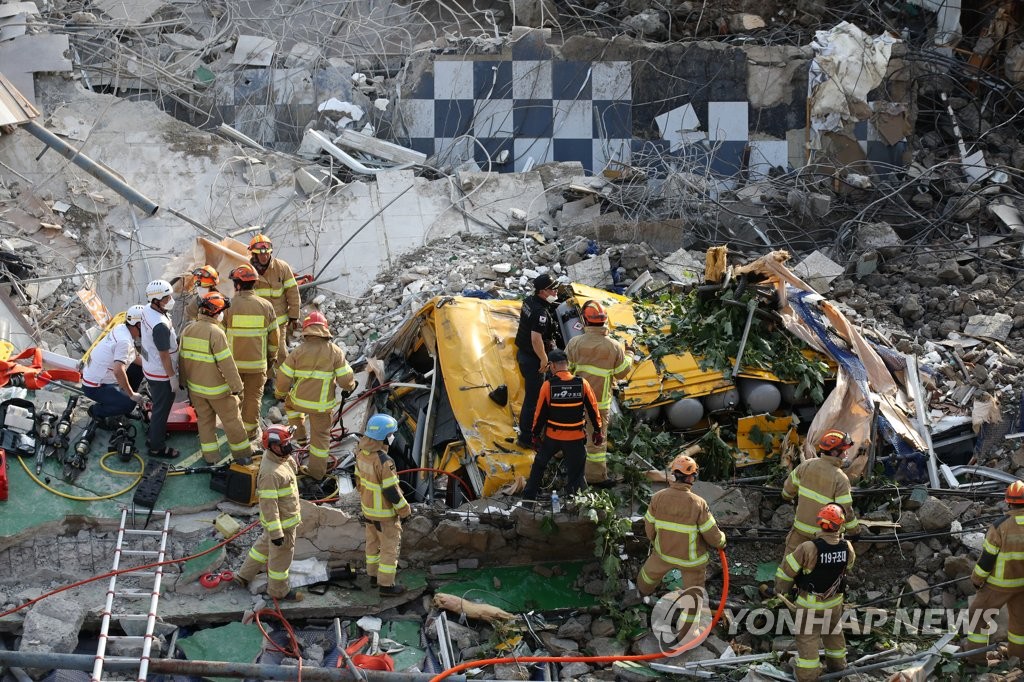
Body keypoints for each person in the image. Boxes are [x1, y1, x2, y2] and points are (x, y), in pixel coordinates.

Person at [774, 503, 855, 682]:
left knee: (808, 639)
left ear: (820, 523)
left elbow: (788, 572)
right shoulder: (846, 546)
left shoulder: (808, 548)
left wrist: (781, 590)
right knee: (834, 634)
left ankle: (808, 676)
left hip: (809, 605)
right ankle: (838, 668)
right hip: (834, 604)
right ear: (840, 524)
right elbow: (847, 567)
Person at [274, 312, 356, 480]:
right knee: (321, 439)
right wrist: (351, 386)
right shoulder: (335, 352)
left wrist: (280, 394)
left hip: (299, 402)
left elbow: (283, 376)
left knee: (289, 405)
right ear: (325, 329)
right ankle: (316, 474)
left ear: (306, 330)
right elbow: (346, 380)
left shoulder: (298, 351)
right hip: (321, 406)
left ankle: (301, 438)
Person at [179, 292, 253, 464]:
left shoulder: (188, 330)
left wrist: (183, 382)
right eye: (221, 311)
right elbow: (227, 364)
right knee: (232, 422)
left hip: (196, 390)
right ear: (215, 312)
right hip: (218, 391)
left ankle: (211, 457)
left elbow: (182, 359)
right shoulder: (216, 333)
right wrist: (237, 387)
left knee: (205, 422)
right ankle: (243, 456)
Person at [638, 453, 725, 597]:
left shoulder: (657, 497)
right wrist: (721, 541)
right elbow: (712, 535)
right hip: (691, 561)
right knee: (694, 595)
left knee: (647, 577)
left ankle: (639, 594)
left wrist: (656, 542)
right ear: (691, 477)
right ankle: (689, 618)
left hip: (663, 554)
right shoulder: (698, 503)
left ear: (674, 475)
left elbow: (649, 526)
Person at [565, 299, 632, 485]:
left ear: (585, 321)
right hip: (598, 405)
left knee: (572, 434)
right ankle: (594, 477)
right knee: (596, 442)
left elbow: (565, 371)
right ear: (604, 321)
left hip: (573, 401)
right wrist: (630, 355)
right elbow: (622, 373)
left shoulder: (574, 343)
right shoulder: (613, 346)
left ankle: (568, 466)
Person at [521, 349, 602, 500]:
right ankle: (573, 502)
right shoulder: (582, 384)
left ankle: (528, 498)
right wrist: (598, 431)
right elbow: (593, 409)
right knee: (576, 473)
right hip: (576, 438)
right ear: (568, 365)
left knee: (539, 464)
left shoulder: (548, 386)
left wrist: (535, 435)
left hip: (553, 437)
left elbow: (539, 414)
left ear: (552, 366)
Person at [234, 425, 303, 601]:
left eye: (288, 442)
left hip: (278, 522)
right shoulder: (270, 474)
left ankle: (244, 575)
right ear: (272, 446)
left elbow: (291, 467)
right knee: (281, 558)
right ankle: (279, 591)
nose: (288, 447)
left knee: (262, 548)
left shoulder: (279, 457)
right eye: (284, 444)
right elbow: (268, 505)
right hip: (283, 524)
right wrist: (277, 533)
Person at [962, 479, 1024, 664]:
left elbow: (987, 560)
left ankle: (975, 658)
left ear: (1008, 502)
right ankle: (1017, 656)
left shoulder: (1000, 526)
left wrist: (976, 580)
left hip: (1000, 585)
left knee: (977, 617)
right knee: (1020, 622)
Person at [355, 413, 411, 596]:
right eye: (391, 433)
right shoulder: (384, 461)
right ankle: (386, 586)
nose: (393, 436)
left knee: (372, 545)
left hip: (368, 510)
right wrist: (405, 511)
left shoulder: (361, 453)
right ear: (385, 436)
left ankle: (373, 576)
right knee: (389, 548)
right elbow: (392, 491)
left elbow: (358, 481)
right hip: (385, 514)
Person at [781, 429, 860, 558]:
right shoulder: (840, 478)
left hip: (800, 530)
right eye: (844, 450)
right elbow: (846, 510)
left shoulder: (806, 465)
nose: (846, 454)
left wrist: (787, 497)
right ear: (834, 452)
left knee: (789, 564)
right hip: (825, 537)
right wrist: (854, 530)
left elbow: (787, 490)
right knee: (817, 569)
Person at [223, 264, 279, 442]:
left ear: (238, 285)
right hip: (257, 364)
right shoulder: (266, 306)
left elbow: (219, 335)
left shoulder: (228, 306)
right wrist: (271, 358)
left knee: (234, 398)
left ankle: (235, 432)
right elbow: (274, 338)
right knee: (253, 399)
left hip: (233, 365)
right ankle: (251, 432)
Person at [514, 273, 559, 449]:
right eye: (552, 289)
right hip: (534, 359)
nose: (556, 290)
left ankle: (535, 431)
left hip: (525, 354)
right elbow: (535, 338)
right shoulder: (540, 312)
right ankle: (526, 438)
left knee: (536, 397)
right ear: (542, 291)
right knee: (533, 401)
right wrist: (544, 359)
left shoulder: (529, 301)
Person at [82, 304, 146, 421]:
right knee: (129, 403)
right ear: (138, 324)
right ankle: (96, 411)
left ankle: (121, 401)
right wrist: (132, 395)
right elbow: (118, 370)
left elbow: (133, 356)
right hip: (96, 386)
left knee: (139, 368)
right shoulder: (124, 341)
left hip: (102, 377)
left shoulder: (122, 328)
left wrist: (152, 367)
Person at [248, 233, 300, 377]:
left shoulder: (281, 267)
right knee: (263, 353)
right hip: (258, 323)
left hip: (279, 322)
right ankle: (269, 380)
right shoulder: (247, 270)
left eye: (266, 254)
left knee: (281, 352)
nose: (264, 257)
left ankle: (286, 381)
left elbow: (292, 292)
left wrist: (294, 316)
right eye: (260, 254)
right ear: (254, 254)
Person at [140, 279, 180, 459]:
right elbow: (164, 355)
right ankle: (156, 446)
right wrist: (172, 377)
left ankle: (155, 434)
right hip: (161, 372)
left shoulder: (148, 310)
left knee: (158, 406)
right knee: (161, 410)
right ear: (156, 300)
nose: (170, 299)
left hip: (150, 368)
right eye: (167, 297)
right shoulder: (160, 327)